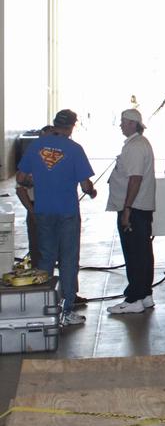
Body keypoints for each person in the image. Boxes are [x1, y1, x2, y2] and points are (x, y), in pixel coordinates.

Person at [16, 109, 96, 326]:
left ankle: (44, 309)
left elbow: (21, 178)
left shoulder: (36, 146)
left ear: (54, 124)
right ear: (71, 126)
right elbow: (85, 185)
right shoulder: (75, 149)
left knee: (45, 260)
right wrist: (92, 191)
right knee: (69, 260)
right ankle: (67, 310)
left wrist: (39, 182)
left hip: (43, 212)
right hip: (67, 213)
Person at [105, 108, 156, 314]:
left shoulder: (135, 147)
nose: (120, 125)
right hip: (139, 208)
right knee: (143, 252)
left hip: (134, 209)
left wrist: (126, 209)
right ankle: (145, 295)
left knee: (134, 253)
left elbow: (135, 179)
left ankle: (134, 297)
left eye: (124, 122)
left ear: (133, 124)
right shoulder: (139, 144)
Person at [15, 125, 54, 267]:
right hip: (36, 206)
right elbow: (20, 189)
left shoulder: (61, 157)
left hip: (57, 208)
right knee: (37, 249)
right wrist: (32, 211)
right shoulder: (32, 157)